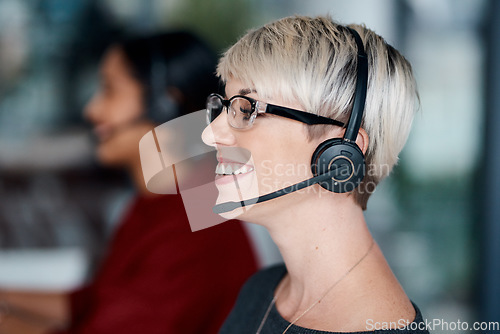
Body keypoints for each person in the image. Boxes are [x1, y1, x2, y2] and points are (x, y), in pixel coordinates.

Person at [0, 31, 257, 334]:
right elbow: (100, 302)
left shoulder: (194, 224)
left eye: (109, 90)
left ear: (166, 104)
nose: (92, 110)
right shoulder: (160, 203)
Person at [202, 16, 429, 333]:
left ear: (339, 152)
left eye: (247, 108)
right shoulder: (262, 290)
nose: (211, 135)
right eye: (224, 107)